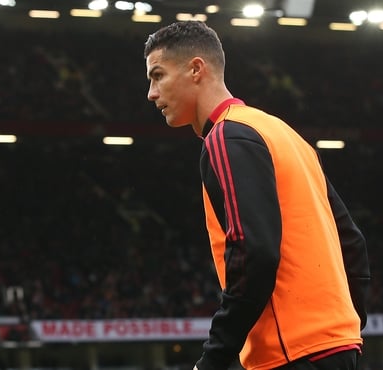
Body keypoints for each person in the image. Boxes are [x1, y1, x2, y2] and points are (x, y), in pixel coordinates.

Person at [143, 21, 370, 370]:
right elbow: (351, 242)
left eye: (157, 76)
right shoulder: (283, 133)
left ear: (196, 69)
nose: (152, 93)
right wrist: (343, 329)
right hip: (336, 348)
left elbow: (254, 253)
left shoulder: (226, 137)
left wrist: (214, 358)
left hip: (291, 353)